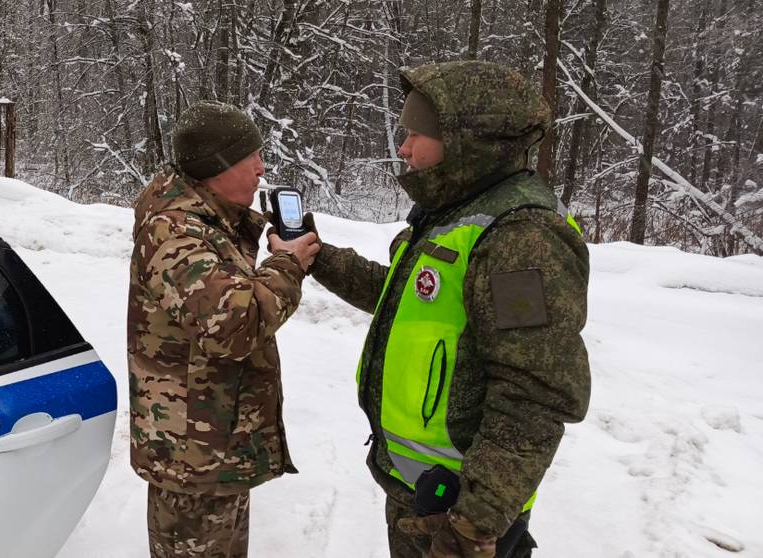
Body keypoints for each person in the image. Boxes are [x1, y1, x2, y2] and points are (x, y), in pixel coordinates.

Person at [308, 61, 592, 557]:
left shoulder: (522, 238)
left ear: (469, 141)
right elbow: (403, 300)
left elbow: (534, 394)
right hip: (423, 494)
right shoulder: (452, 212)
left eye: (416, 134)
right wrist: (319, 256)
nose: (403, 148)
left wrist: (475, 522)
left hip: (460, 517)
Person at [127, 100, 320, 558]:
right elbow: (235, 325)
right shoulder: (173, 232)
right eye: (250, 157)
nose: (261, 167)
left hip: (217, 447)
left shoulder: (210, 221)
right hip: (191, 458)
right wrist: (287, 265)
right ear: (215, 166)